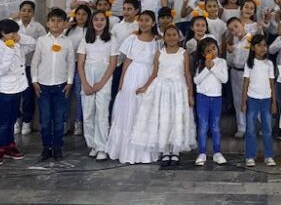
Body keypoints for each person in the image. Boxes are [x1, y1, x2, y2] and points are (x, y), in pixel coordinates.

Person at [131, 25, 196, 167]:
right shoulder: (159, 53)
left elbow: (187, 74)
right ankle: (166, 150)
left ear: (179, 37)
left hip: (178, 89)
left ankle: (176, 150)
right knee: (163, 119)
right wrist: (145, 87)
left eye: (174, 35)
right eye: (168, 35)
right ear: (164, 37)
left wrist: (190, 94)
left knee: (176, 118)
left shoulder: (183, 53)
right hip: (161, 90)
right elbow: (154, 73)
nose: (171, 37)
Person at [105, 11, 161, 163]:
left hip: (148, 76)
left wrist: (149, 83)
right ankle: (126, 150)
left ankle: (143, 153)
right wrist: (122, 82)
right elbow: (127, 62)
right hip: (132, 76)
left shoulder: (157, 42)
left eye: (147, 20)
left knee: (143, 112)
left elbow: (156, 66)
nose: (143, 23)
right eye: (141, 20)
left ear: (153, 23)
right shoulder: (132, 39)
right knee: (129, 110)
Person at [0, 19, 36, 166]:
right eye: (12, 32)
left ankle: (10, 145)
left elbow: (33, 44)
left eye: (16, 32)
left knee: (12, 119)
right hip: (4, 90)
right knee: (3, 121)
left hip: (18, 88)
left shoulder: (17, 45)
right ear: (3, 33)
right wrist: (9, 51)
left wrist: (20, 38)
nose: (14, 35)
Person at [32, 8, 75, 161]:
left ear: (64, 24)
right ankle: (46, 147)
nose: (56, 23)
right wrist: (34, 81)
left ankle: (57, 147)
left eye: (59, 21)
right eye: (53, 20)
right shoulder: (42, 41)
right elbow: (35, 62)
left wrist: (70, 82)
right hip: (43, 85)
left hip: (61, 86)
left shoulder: (67, 41)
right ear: (47, 23)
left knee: (58, 119)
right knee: (45, 119)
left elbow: (71, 63)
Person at [77, 10, 118, 161]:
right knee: (88, 113)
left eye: (102, 19)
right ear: (91, 22)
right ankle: (93, 144)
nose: (99, 22)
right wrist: (85, 83)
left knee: (101, 113)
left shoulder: (112, 39)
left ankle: (102, 147)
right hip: (87, 75)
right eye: (96, 20)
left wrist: (101, 83)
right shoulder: (86, 39)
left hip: (104, 76)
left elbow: (113, 64)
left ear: (106, 22)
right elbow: (80, 64)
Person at [193, 38, 229, 166]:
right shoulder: (200, 63)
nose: (212, 52)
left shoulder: (222, 62)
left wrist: (213, 68)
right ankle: (202, 153)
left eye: (214, 48)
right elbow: (196, 80)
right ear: (203, 54)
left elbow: (224, 79)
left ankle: (217, 153)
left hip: (216, 98)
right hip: (202, 98)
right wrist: (206, 69)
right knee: (203, 126)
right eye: (208, 50)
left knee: (215, 126)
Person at [242, 34, 277, 167]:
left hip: (266, 99)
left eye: (265, 45)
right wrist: (243, 101)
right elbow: (245, 83)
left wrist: (274, 102)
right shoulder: (249, 64)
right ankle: (250, 156)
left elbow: (272, 83)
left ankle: (269, 155)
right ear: (252, 48)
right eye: (259, 45)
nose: (263, 48)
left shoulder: (269, 63)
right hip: (252, 99)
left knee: (267, 129)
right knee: (250, 129)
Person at [14, 0, 46, 136]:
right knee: (15, 95)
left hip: (31, 66)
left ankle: (27, 121)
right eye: (23, 10)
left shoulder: (38, 27)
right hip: (15, 67)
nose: (26, 13)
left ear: (33, 13)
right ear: (20, 11)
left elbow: (43, 45)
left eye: (29, 11)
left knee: (28, 96)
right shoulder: (14, 25)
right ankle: (16, 120)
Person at [66, 5, 91, 136]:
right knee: (65, 94)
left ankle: (78, 122)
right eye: (78, 14)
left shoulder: (90, 30)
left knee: (78, 94)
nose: (81, 17)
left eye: (84, 14)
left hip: (83, 66)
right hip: (68, 65)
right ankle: (65, 122)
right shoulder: (69, 30)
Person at [226, 17, 251, 138]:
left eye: (236, 26)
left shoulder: (250, 38)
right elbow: (230, 59)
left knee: (250, 99)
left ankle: (254, 126)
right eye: (231, 29)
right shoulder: (233, 39)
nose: (234, 31)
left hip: (248, 73)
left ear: (242, 23)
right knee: (237, 100)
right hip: (235, 71)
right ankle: (241, 127)